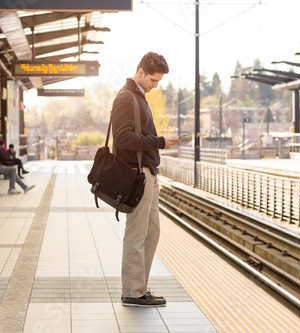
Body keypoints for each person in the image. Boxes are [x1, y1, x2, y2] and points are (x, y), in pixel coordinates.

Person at [111, 52, 181, 307]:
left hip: (148, 174)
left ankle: (139, 288)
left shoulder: (138, 97)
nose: (156, 85)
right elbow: (123, 138)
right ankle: (132, 292)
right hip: (137, 175)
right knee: (137, 233)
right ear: (140, 72)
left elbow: (137, 136)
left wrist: (158, 142)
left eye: (159, 80)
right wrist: (160, 142)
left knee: (151, 232)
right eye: (153, 79)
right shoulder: (126, 98)